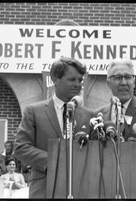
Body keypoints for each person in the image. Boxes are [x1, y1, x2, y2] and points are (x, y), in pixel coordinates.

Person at [14, 56, 94, 198]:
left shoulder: (89, 115)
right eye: (72, 79)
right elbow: (21, 148)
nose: (78, 84)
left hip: (80, 189)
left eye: (80, 80)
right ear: (55, 79)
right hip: (43, 190)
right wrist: (54, 160)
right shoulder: (33, 111)